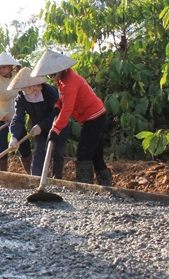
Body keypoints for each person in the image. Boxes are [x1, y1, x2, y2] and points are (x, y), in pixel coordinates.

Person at [31, 49, 112, 185]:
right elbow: (64, 99)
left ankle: (85, 187)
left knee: (83, 154)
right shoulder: (62, 80)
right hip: (93, 117)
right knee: (96, 156)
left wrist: (55, 130)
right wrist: (57, 106)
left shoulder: (70, 81)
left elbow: (68, 108)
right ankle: (106, 186)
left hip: (95, 118)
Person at [8, 67, 70, 177]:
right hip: (38, 128)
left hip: (57, 124)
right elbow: (18, 118)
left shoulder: (49, 92)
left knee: (58, 152)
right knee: (39, 150)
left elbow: (55, 113)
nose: (35, 88)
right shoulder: (21, 98)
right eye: (25, 88)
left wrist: (42, 126)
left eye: (35, 85)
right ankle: (35, 178)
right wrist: (14, 137)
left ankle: (56, 179)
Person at [0, 52, 31, 172]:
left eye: (4, 67)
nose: (1, 70)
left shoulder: (18, 77)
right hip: (0, 117)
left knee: (23, 143)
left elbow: (26, 93)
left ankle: (32, 173)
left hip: (17, 116)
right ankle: (2, 173)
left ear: (11, 66)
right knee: (2, 146)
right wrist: (4, 115)